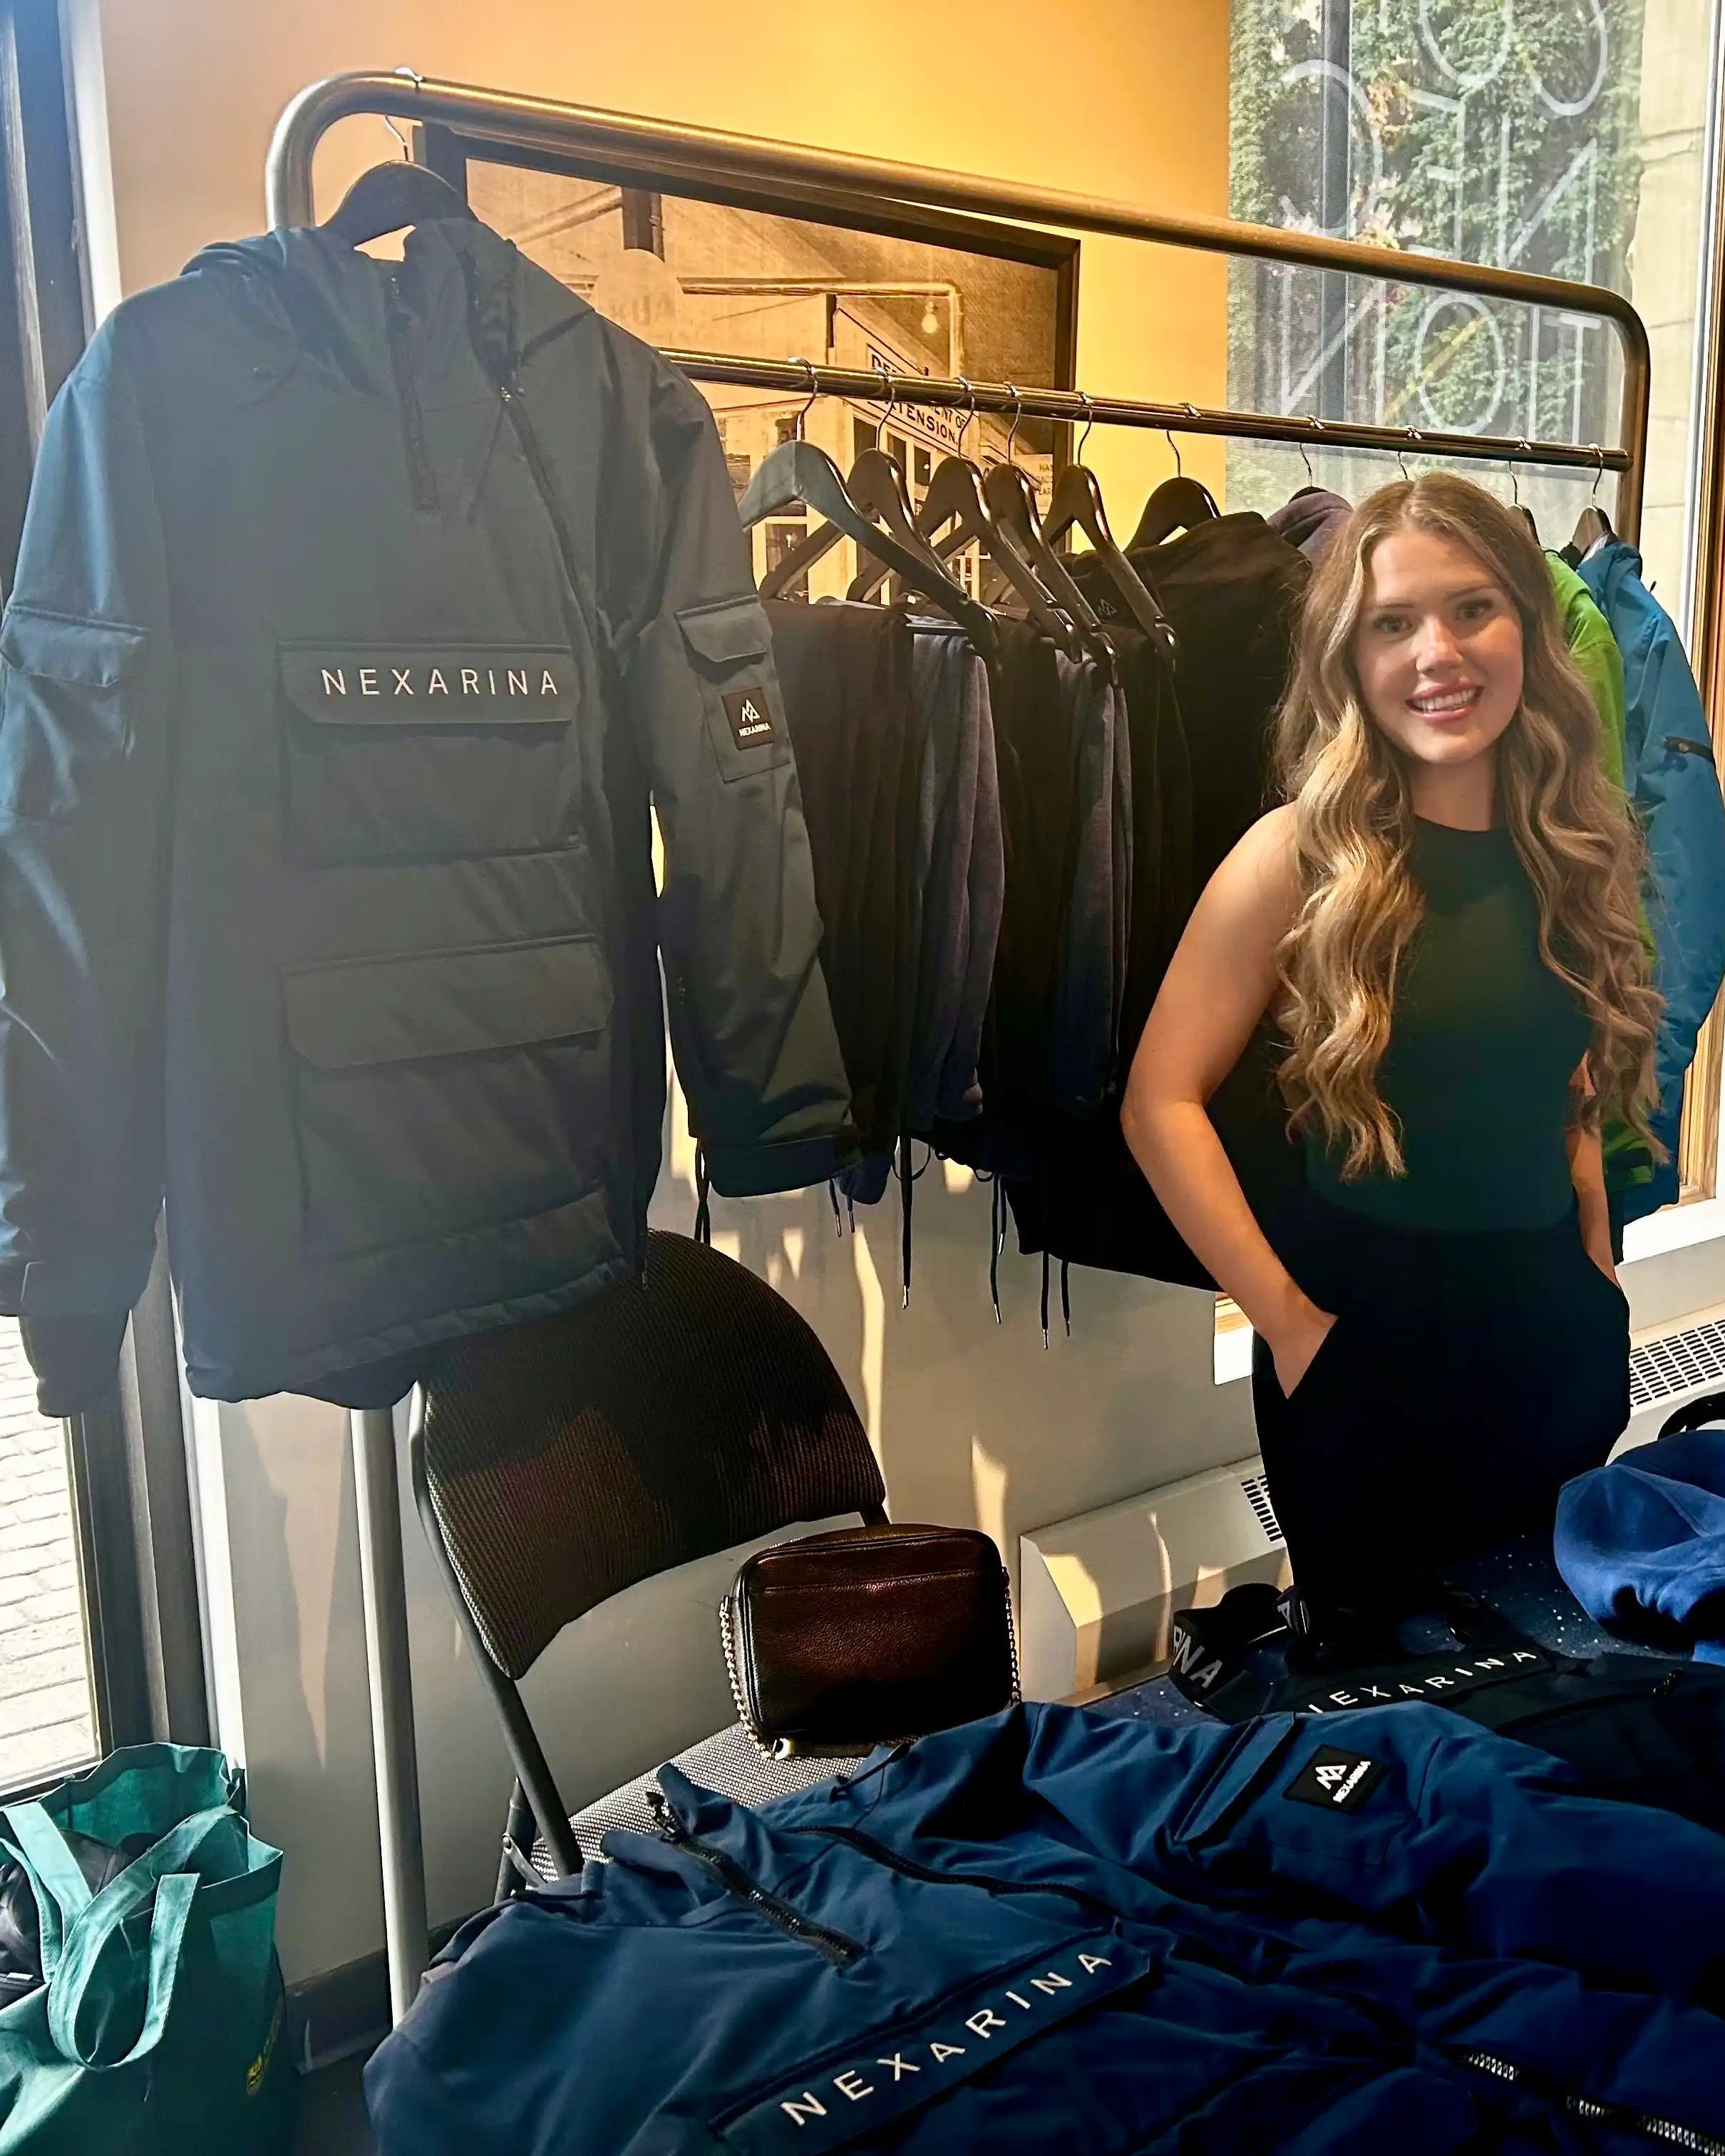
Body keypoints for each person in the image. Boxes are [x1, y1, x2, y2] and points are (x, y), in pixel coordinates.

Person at [1121, 473, 1661, 1631]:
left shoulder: (1573, 843)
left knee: (1557, 1700)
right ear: (1349, 660)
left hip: (1550, 1346)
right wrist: (1290, 1325)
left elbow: (1562, 1079)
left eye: (1473, 609)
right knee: (1384, 1729)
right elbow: (1159, 1101)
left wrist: (1595, 1262)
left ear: (1528, 623)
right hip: (1365, 1368)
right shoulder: (1293, 858)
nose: (1439, 654)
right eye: (1393, 623)